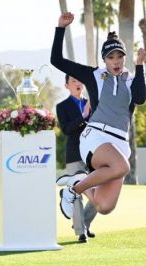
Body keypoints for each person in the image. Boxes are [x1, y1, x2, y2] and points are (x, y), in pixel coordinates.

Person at [51, 12, 146, 224]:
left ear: (124, 58)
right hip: (96, 137)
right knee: (123, 168)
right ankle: (72, 191)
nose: (116, 61)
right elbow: (56, 60)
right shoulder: (93, 75)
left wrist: (139, 65)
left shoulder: (131, 79)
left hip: (120, 146)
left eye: (120, 56)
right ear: (104, 60)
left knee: (104, 206)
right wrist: (60, 28)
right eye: (111, 57)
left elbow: (140, 99)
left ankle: (79, 181)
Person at [56, 75, 97, 243]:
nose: (78, 83)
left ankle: (84, 222)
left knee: (98, 192)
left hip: (93, 154)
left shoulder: (93, 102)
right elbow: (66, 129)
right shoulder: (62, 106)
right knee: (77, 191)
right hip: (74, 155)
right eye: (73, 81)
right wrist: (84, 115)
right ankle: (81, 231)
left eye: (80, 80)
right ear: (67, 85)